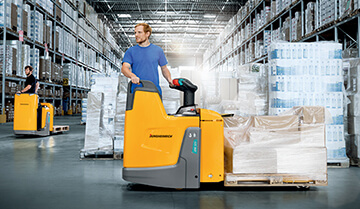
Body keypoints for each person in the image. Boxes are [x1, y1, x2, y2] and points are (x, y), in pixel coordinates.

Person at [121, 23, 174, 96]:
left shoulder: (158, 50)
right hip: (137, 91)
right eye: (135, 32)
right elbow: (124, 68)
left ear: (147, 34)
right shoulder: (131, 51)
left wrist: (169, 80)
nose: (136, 35)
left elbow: (164, 68)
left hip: (154, 91)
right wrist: (132, 75)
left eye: (139, 32)